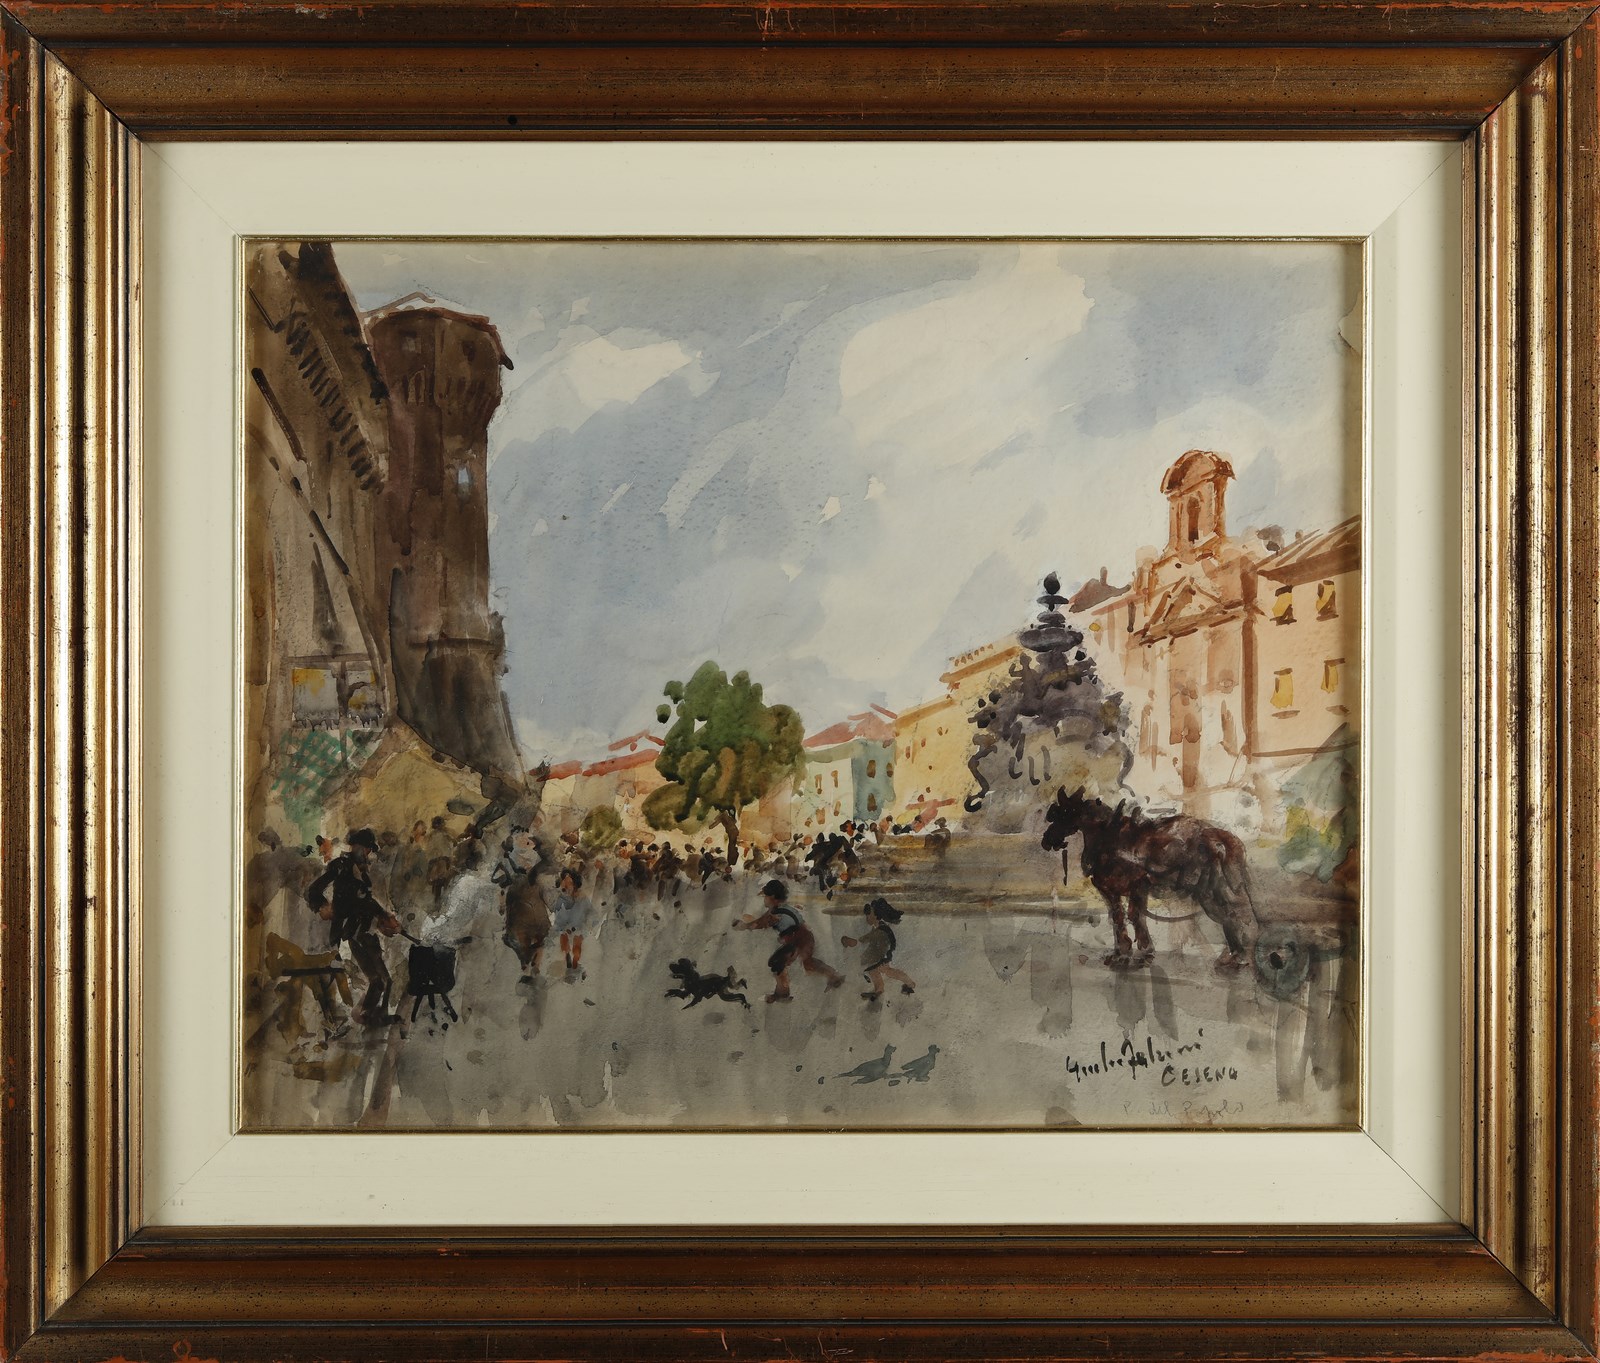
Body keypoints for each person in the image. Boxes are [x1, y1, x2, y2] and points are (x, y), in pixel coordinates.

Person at [304, 827, 400, 1025]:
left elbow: (366, 901)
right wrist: (322, 906)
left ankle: (370, 1015)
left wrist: (384, 916)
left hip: (363, 931)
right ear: (355, 846)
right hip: (348, 933)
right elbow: (313, 891)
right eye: (365, 848)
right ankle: (362, 1016)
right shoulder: (340, 866)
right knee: (373, 980)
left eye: (369, 850)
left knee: (382, 981)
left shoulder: (363, 873)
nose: (367, 853)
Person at [735, 879, 843, 1003]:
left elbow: (760, 923)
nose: (764, 899)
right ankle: (834, 976)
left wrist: (744, 926)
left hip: (798, 940)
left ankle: (782, 993)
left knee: (778, 963)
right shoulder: (780, 908)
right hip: (805, 938)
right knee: (808, 963)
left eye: (766, 896)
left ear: (773, 897)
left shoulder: (776, 914)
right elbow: (762, 921)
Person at [842, 896, 916, 1000]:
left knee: (885, 970)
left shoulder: (881, 929)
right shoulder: (878, 927)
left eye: (869, 915)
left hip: (883, 952)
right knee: (876, 970)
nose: (867, 918)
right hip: (881, 951)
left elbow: (864, 940)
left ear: (876, 916)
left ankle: (909, 983)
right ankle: (880, 988)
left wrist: (848, 941)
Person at [551, 867, 592, 975]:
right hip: (565, 926)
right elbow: (558, 914)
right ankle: (567, 957)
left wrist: (586, 924)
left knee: (577, 943)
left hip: (578, 926)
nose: (565, 885)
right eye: (564, 882)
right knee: (563, 938)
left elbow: (590, 913)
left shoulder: (582, 898)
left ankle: (574, 964)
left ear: (575, 885)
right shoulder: (561, 898)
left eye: (569, 883)